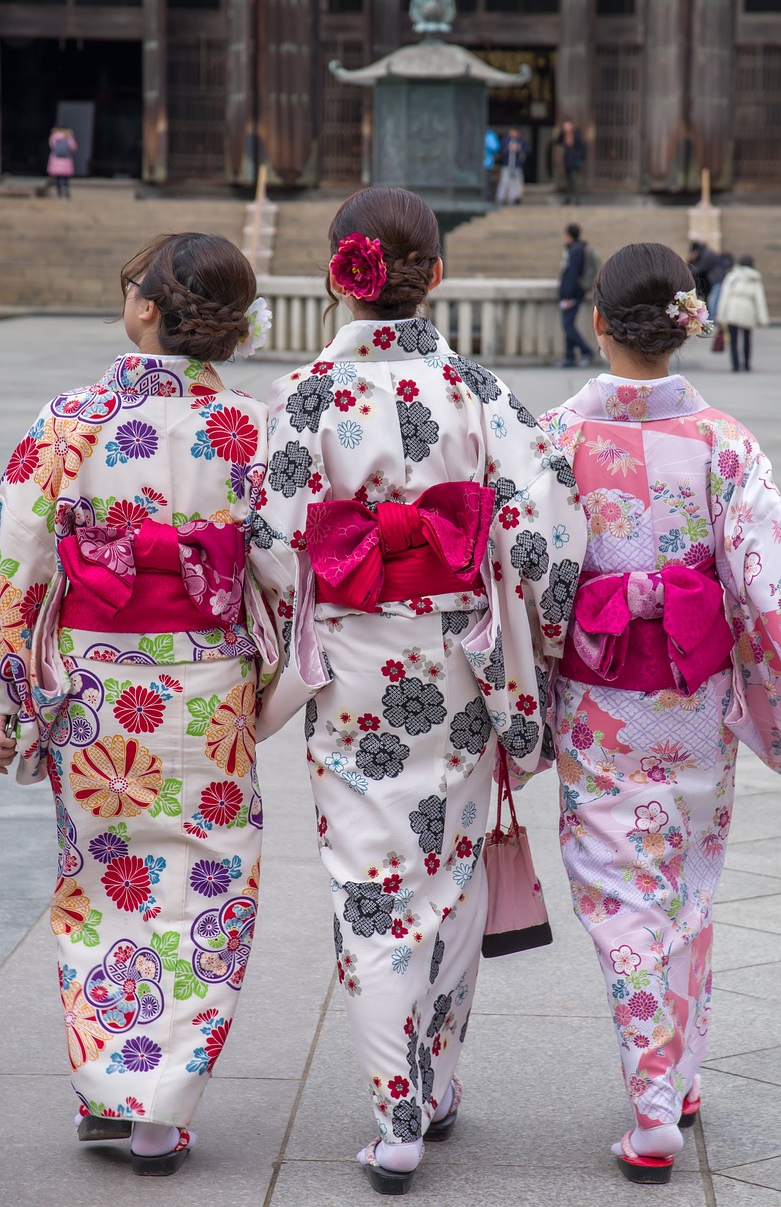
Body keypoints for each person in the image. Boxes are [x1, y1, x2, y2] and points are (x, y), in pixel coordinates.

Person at [254, 185, 586, 1194]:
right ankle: (433, 1088)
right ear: (432, 273)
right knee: (446, 873)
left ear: (335, 270)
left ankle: (393, 1115)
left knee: (369, 882)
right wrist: (540, 620)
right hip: (457, 662)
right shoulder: (478, 390)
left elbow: (270, 549)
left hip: (354, 665)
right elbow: (548, 528)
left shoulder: (305, 393)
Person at [0, 233, 303, 1176]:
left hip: (96, 690)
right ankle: (162, 1109)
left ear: (144, 309)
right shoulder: (253, 431)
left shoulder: (70, 421)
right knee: (207, 886)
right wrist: (264, 690)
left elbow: (16, 568)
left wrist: (20, 700)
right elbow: (293, 579)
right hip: (208, 689)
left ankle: (110, 1083)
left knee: (98, 889)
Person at [538, 242, 781, 1185]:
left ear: (597, 321)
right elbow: (763, 591)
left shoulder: (554, 436)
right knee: (687, 884)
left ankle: (652, 1112)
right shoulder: (724, 442)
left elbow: (526, 581)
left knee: (618, 898)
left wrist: (520, 689)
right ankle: (676, 1074)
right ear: (687, 323)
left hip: (600, 700)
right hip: (694, 698)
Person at [716, 253, 769, 372]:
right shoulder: (754, 278)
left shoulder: (733, 276)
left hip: (733, 309)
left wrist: (721, 315)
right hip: (748, 310)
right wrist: (763, 318)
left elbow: (725, 296)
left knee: (733, 340)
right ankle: (746, 364)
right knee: (747, 339)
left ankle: (735, 364)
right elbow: (759, 299)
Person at [559, 223, 596, 368]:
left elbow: (572, 275)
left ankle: (587, 352)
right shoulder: (576, 249)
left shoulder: (576, 251)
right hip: (573, 294)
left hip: (572, 295)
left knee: (567, 325)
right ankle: (569, 357)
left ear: (569, 235)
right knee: (569, 324)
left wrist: (567, 296)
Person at [687, 241, 727, 314]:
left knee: (714, 302)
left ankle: (712, 321)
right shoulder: (704, 254)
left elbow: (699, 269)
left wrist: (687, 271)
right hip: (715, 280)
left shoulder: (706, 255)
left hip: (717, 280)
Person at [554, 117, 586, 205]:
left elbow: (583, 147)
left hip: (574, 160)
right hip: (567, 160)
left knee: (574, 179)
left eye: (567, 126)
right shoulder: (563, 135)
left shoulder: (577, 134)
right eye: (565, 126)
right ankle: (567, 199)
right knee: (568, 180)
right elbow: (557, 142)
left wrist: (580, 157)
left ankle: (577, 199)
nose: (566, 127)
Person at [495, 128, 527, 205]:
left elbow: (524, 154)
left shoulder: (521, 141)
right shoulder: (505, 141)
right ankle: (500, 198)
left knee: (515, 183)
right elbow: (500, 152)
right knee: (504, 182)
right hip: (507, 165)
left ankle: (513, 199)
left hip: (516, 166)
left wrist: (518, 149)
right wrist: (508, 148)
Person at [47, 126, 77, 198]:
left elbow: (52, 146)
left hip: (56, 160)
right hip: (66, 160)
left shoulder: (54, 137)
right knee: (65, 178)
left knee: (58, 178)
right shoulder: (69, 137)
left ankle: (59, 191)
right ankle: (66, 188)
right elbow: (73, 147)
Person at [483, 127, 500, 200]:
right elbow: (495, 148)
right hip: (487, 163)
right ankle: (487, 198)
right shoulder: (490, 135)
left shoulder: (488, 135)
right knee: (487, 182)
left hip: (484, 163)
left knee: (486, 182)